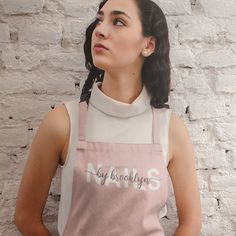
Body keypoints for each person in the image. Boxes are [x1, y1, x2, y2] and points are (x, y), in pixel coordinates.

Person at [13, 0, 202, 235]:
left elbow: (191, 223)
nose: (100, 30)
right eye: (100, 19)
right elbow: (25, 217)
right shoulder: (63, 122)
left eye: (119, 22)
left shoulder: (169, 128)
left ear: (148, 44)